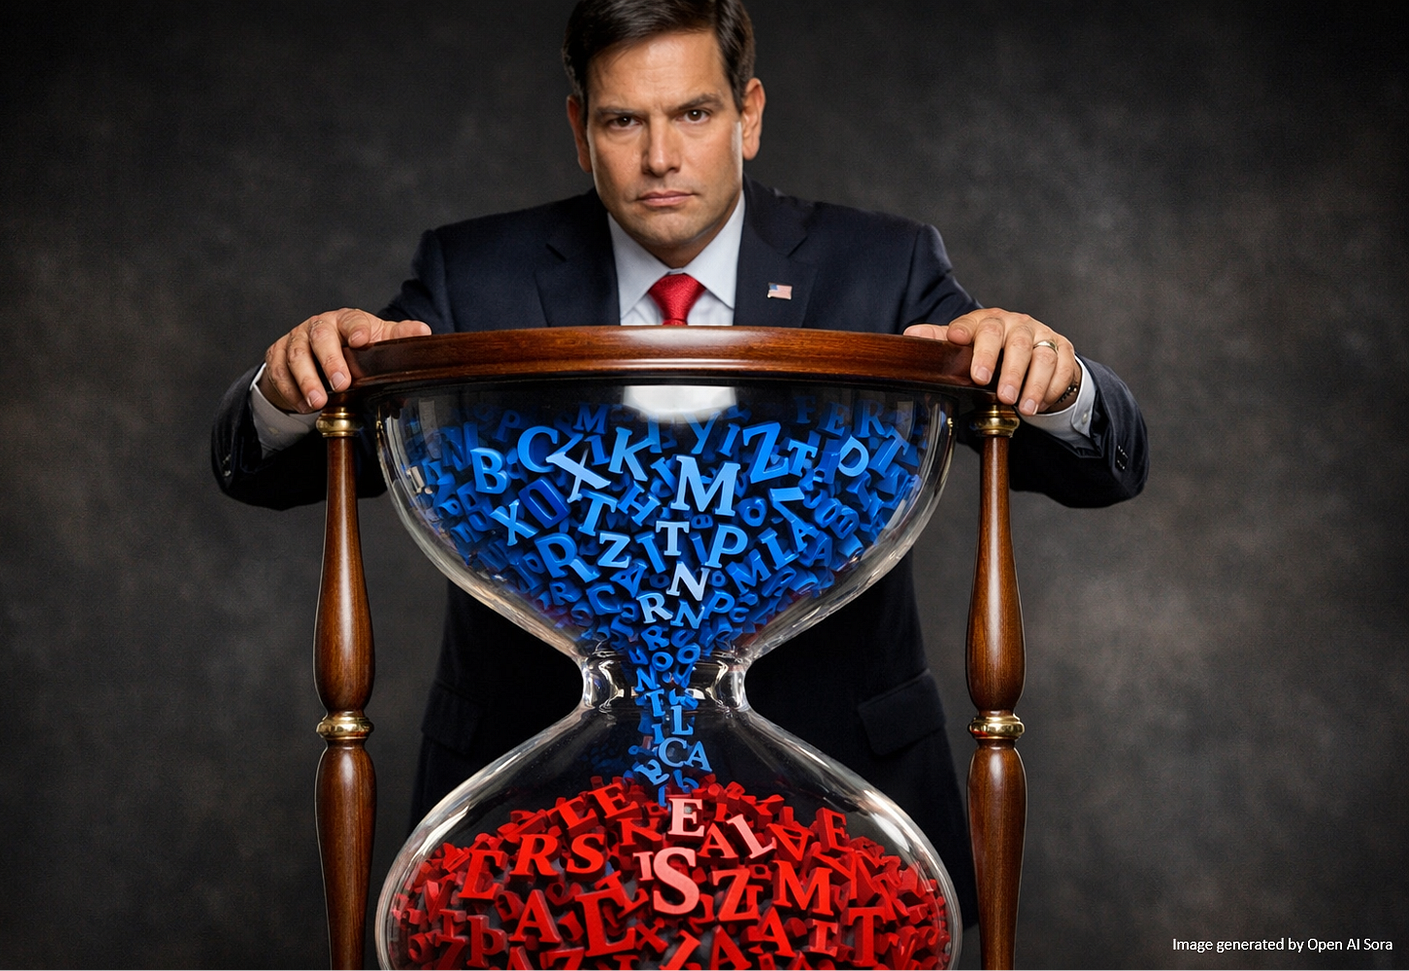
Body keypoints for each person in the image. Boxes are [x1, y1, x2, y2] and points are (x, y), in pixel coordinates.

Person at [211, 0, 1148, 927]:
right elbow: (271, 470)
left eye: (694, 114)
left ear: (748, 112)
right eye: (625, 120)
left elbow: (1106, 465)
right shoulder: (474, 274)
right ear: (581, 130)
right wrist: (297, 384)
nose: (661, 158)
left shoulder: (882, 268)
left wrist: (1050, 375)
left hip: (827, 809)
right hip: (542, 826)